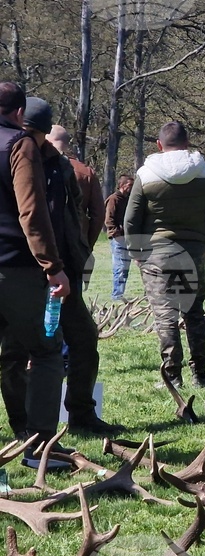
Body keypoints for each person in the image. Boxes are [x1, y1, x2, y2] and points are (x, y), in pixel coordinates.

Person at [0, 97, 123, 445]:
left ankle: (81, 413)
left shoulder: (63, 166)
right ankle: (25, 429)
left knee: (83, 338)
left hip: (60, 269)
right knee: (18, 351)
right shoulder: (16, 153)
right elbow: (31, 215)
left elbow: (76, 215)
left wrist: (74, 258)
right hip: (28, 270)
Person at [0, 84, 73, 468]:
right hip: (16, 267)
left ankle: (20, 431)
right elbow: (31, 211)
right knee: (45, 352)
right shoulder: (20, 144)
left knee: (12, 354)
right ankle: (42, 447)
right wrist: (53, 266)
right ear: (18, 113)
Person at [124, 121, 205, 390]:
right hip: (193, 251)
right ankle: (201, 374)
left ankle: (172, 376)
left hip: (157, 254)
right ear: (187, 142)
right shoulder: (204, 171)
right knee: (194, 313)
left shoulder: (146, 174)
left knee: (165, 315)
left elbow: (131, 219)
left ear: (159, 144)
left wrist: (136, 252)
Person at [46, 125, 103, 251]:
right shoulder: (86, 172)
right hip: (76, 242)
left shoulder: (37, 166)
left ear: (48, 141)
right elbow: (98, 215)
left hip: (45, 241)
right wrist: (87, 244)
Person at [104, 175, 134, 300]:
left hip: (128, 238)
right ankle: (117, 295)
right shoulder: (113, 199)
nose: (131, 188)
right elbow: (108, 219)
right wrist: (116, 234)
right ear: (122, 185)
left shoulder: (128, 200)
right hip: (118, 238)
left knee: (125, 267)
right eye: (130, 185)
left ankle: (120, 294)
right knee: (120, 267)